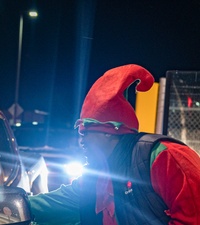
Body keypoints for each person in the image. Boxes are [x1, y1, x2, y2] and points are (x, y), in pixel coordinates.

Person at [29, 64, 200, 225]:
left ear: (108, 132)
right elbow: (52, 204)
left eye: (86, 133)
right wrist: (12, 205)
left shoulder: (166, 157)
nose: (81, 141)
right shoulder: (96, 176)